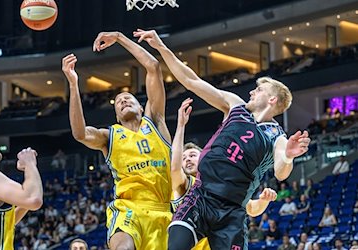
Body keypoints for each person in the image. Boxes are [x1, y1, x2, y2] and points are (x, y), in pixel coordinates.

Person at [133, 29, 310, 249]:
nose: (252, 92)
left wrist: (290, 156)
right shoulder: (234, 106)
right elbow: (190, 80)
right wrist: (161, 47)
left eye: (259, 89)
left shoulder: (277, 136)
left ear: (272, 99)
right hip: (201, 196)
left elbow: (281, 172)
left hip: (232, 211)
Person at [62, 31, 172, 250]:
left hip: (164, 210)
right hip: (128, 209)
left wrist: (120, 38)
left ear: (142, 107)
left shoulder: (155, 121)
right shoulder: (109, 136)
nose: (123, 100)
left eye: (128, 98)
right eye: (118, 102)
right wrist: (74, 85)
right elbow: (80, 133)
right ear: (116, 117)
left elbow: (153, 67)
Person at [171, 98, 278, 249]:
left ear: (203, 157)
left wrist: (263, 200)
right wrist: (181, 125)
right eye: (184, 158)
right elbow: (174, 169)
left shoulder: (225, 185)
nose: (187, 159)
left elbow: (252, 209)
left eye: (192, 155)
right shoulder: (186, 183)